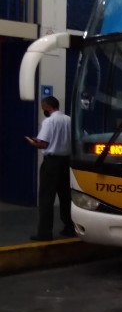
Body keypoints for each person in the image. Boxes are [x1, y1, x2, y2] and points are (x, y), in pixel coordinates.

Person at [25, 96, 74, 241]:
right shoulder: (69, 120)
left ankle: (44, 233)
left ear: (47, 106)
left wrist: (32, 142)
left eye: (43, 107)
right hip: (66, 162)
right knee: (66, 197)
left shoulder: (49, 121)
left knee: (46, 198)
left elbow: (43, 144)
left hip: (51, 164)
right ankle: (70, 227)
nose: (42, 110)